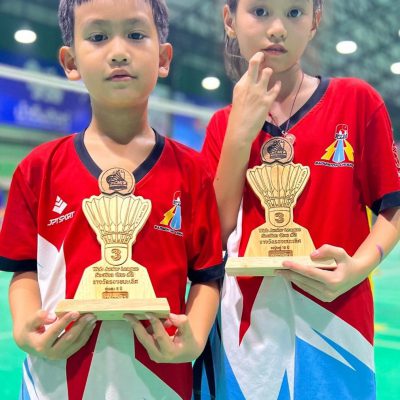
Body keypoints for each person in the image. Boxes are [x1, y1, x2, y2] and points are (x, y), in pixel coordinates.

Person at [0, 0, 224, 399]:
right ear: (70, 62)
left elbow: (207, 275)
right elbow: (23, 269)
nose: (119, 51)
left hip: (161, 381)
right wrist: (24, 328)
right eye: (98, 36)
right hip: (56, 379)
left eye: (136, 35)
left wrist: (195, 336)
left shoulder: (193, 172)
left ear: (163, 58)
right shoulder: (38, 169)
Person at [193, 0, 400, 399]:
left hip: (338, 319)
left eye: (294, 13)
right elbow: (215, 231)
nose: (277, 28)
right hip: (246, 332)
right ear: (229, 19)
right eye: (260, 11)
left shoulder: (356, 101)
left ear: (314, 21)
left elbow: (393, 207)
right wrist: (239, 135)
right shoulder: (222, 125)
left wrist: (357, 268)